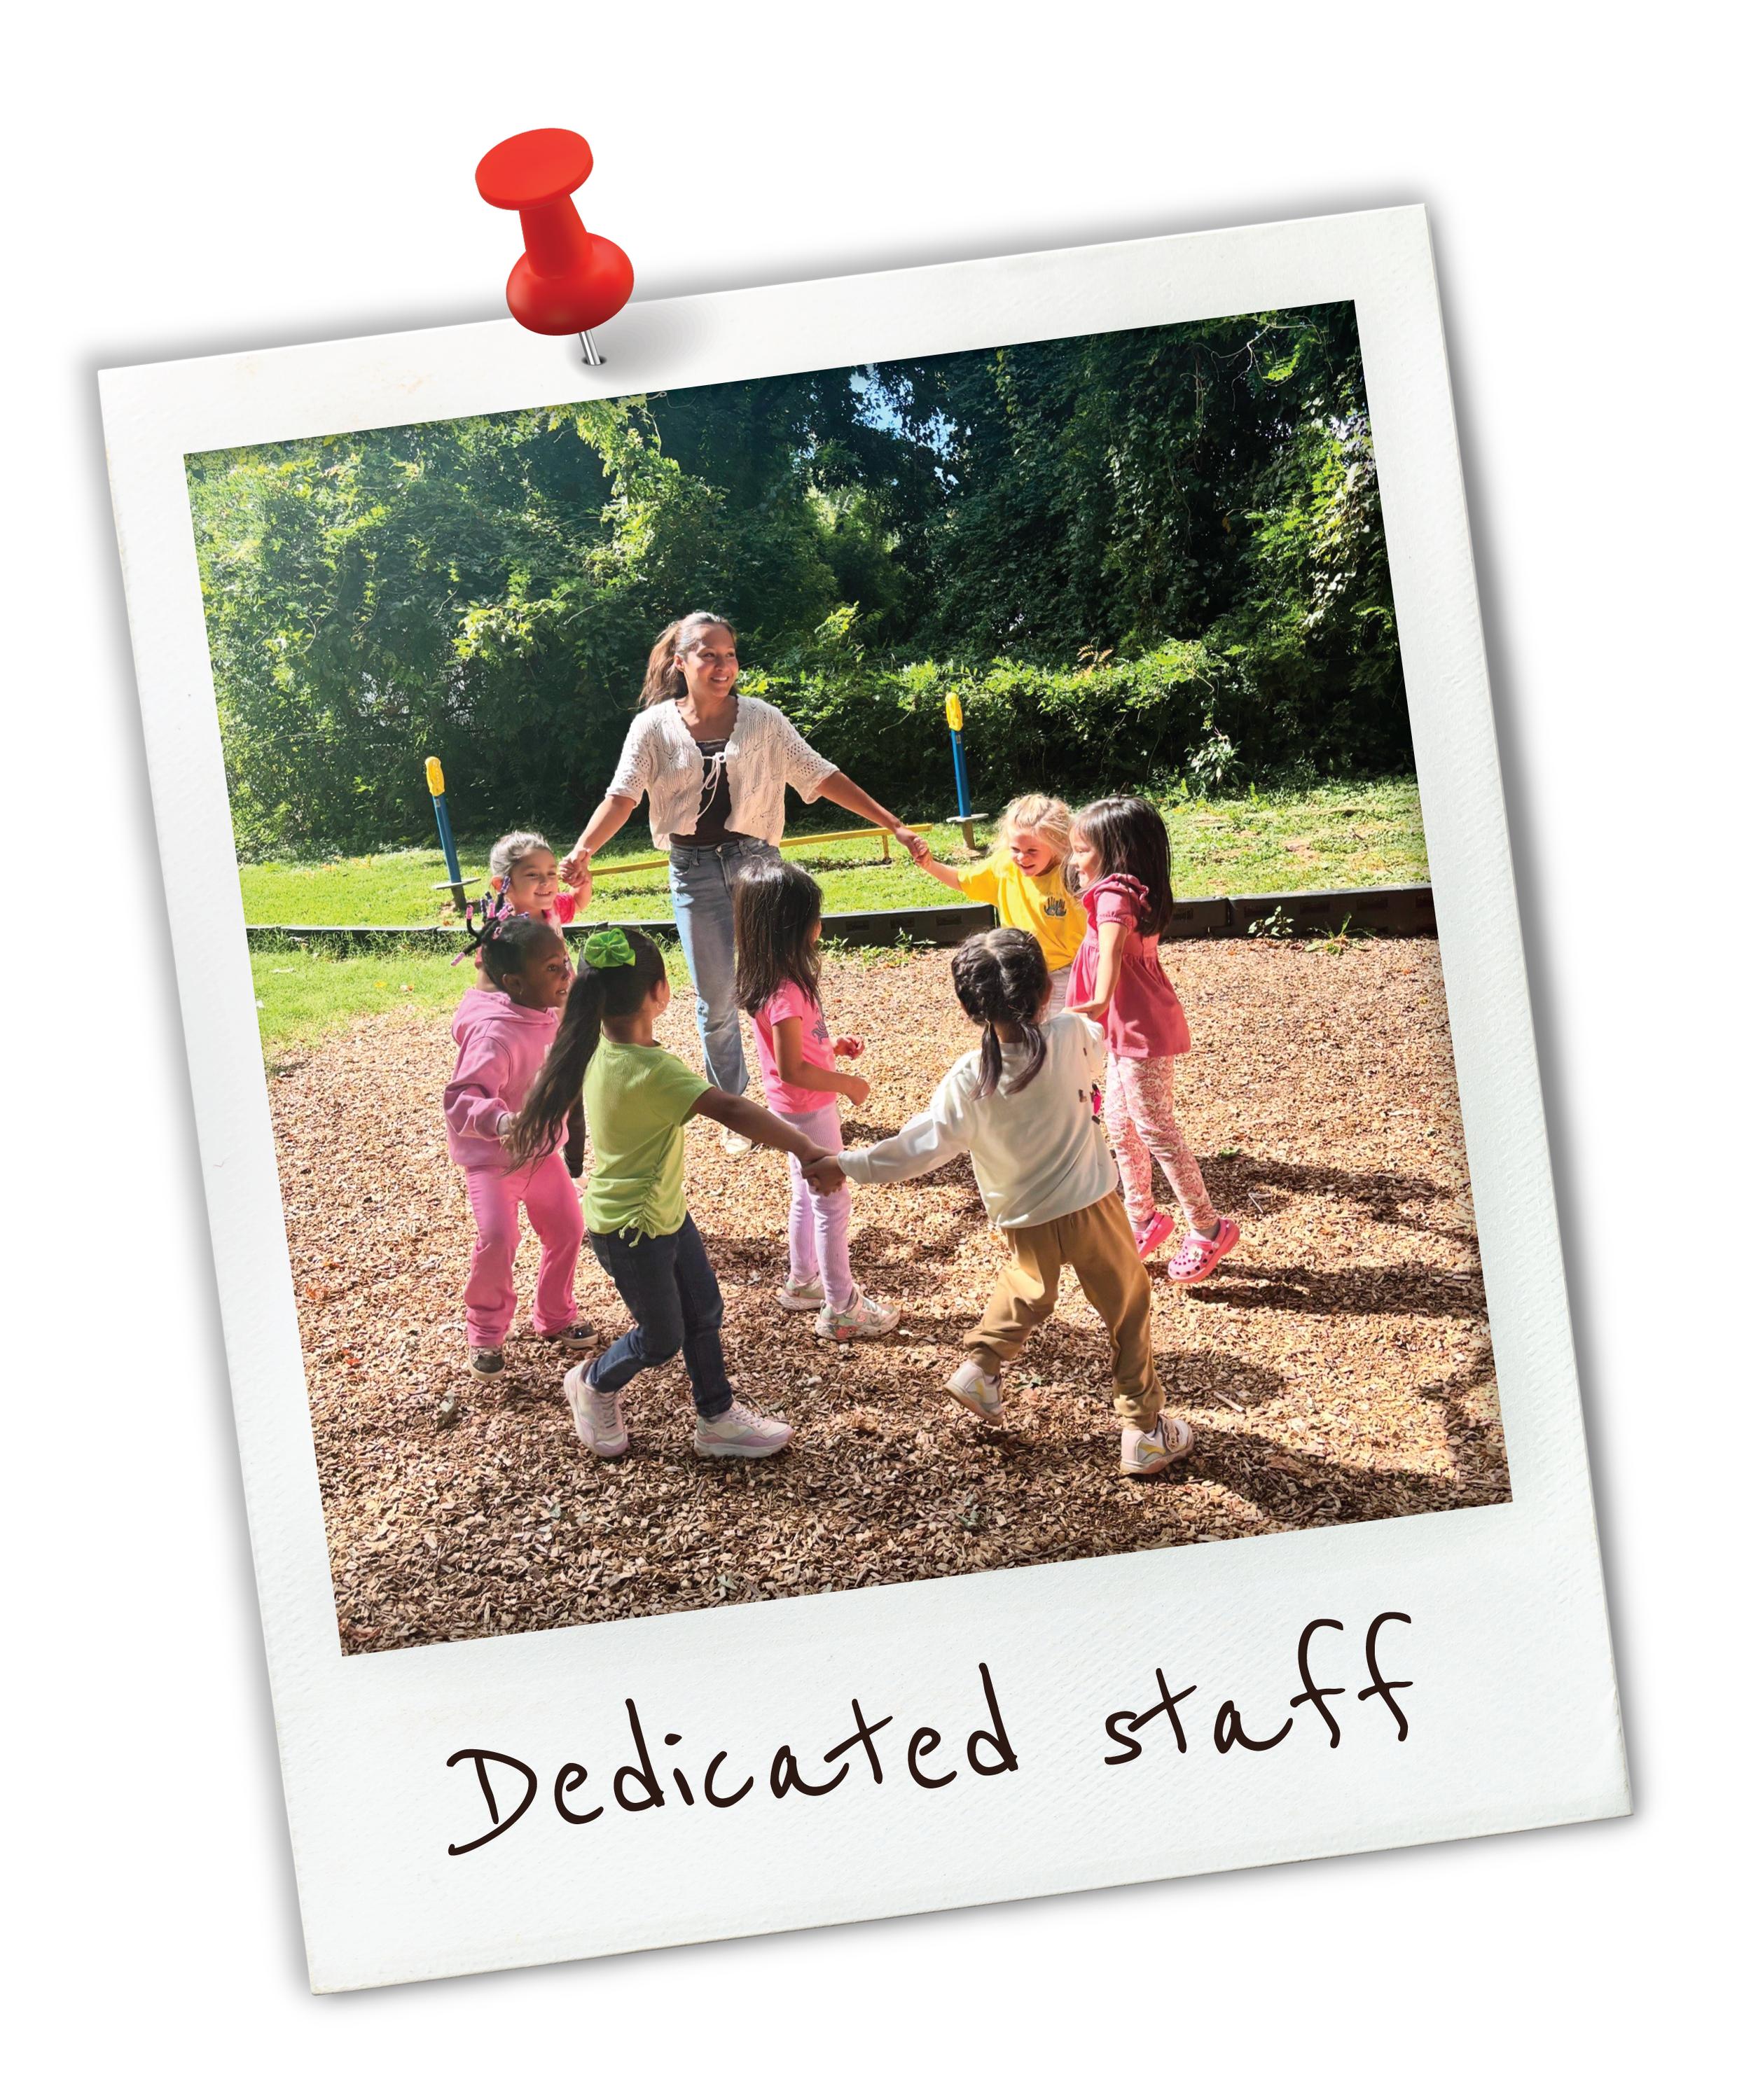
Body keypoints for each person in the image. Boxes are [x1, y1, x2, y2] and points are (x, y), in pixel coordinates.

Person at [558, 612, 928, 1148]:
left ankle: (810, 1089)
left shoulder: (762, 719)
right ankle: (733, 1107)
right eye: (708, 654)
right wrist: (584, 848)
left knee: (786, 980)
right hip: (693, 869)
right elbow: (623, 795)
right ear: (680, 662)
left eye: (729, 654)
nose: (723, 665)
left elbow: (821, 775)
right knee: (716, 999)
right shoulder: (653, 727)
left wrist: (892, 823)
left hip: (760, 866)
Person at [835, 928, 1194, 1477]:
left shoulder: (968, 1078)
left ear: (968, 1007)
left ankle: (981, 1368)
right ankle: (1144, 1430)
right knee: (1128, 1305)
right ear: (1044, 991)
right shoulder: (1071, 1033)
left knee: (1028, 1291)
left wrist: (847, 1163)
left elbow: (918, 1146)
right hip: (1090, 1206)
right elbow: (1097, 1057)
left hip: (1023, 1217)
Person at [506, 925, 845, 1463]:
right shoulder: (652, 1070)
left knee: (704, 1310)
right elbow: (732, 1109)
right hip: (630, 1230)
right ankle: (593, 1381)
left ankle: (717, 1418)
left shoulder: (593, 1045)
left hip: (662, 1215)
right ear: (660, 992)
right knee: (661, 1337)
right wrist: (808, 1150)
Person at [1066, 795, 1238, 1281]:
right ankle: (1141, 1217)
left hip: (1140, 1032)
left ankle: (1207, 1227)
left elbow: (1103, 989)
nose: (1074, 861)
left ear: (1113, 852)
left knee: (1155, 1127)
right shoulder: (1119, 891)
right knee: (1120, 1124)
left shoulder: (1113, 897)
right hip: (1126, 1032)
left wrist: (1055, 1024)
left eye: (1081, 851)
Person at [733, 860, 900, 1341]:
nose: (820, 925)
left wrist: (831, 1047)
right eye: (813, 916)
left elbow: (797, 1051)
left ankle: (803, 1280)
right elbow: (793, 1068)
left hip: (793, 1106)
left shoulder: (770, 978)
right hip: (808, 1105)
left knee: (806, 1191)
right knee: (832, 1197)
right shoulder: (785, 992)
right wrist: (845, 1081)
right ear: (790, 928)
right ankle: (840, 1304)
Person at [443, 913, 595, 1382]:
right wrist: (502, 1120)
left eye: (565, 962)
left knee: (569, 1229)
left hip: (542, 1154)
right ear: (514, 982)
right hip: (494, 1162)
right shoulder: (495, 1034)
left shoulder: (549, 1011)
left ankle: (554, 1314)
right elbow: (459, 1100)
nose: (566, 974)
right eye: (552, 968)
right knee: (499, 1240)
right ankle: (485, 1332)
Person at [913, 793, 1088, 1015]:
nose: (1022, 858)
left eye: (1032, 851)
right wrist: (929, 865)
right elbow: (961, 880)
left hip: (1064, 971)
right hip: (1018, 968)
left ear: (1056, 843)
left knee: (1058, 1033)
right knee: (1025, 1034)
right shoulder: (1004, 867)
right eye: (1015, 849)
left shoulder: (1071, 874)